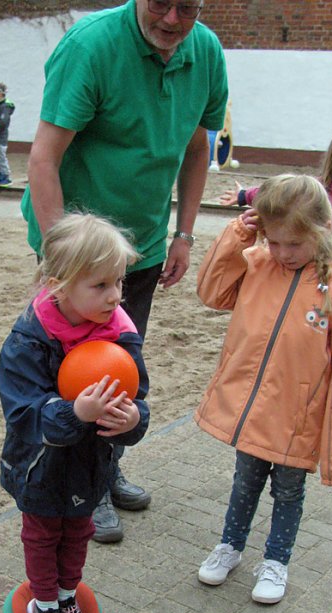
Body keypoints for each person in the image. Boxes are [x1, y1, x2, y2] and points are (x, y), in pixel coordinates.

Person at [21, 0, 229, 543]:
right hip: (77, 253)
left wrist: (183, 232)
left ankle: (106, 470)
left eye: (188, 7)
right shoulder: (91, 46)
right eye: (160, 2)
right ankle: (77, 489)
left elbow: (195, 148)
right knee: (70, 372)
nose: (171, 18)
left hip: (141, 248)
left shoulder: (204, 50)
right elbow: (43, 159)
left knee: (119, 363)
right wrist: (60, 264)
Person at [195, 174, 332, 604]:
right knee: (244, 482)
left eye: (293, 244)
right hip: (252, 412)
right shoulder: (258, 262)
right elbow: (212, 292)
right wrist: (240, 234)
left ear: (323, 231)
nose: (282, 253)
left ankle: (276, 560)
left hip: (297, 418)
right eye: (273, 241)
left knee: (289, 491)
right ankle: (230, 546)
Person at [0, 212, 150, 613]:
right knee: (44, 533)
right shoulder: (30, 339)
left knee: (78, 530)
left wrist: (132, 420)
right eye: (100, 285)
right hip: (40, 464)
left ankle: (67, 595)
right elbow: (22, 410)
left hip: (91, 464)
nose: (116, 295)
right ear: (59, 285)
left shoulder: (120, 335)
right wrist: (73, 412)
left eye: (119, 282)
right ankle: (45, 605)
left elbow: (137, 393)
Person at [220, 128, 332, 319]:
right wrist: (244, 195)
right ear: (331, 158)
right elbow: (280, 195)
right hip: (310, 270)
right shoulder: (316, 189)